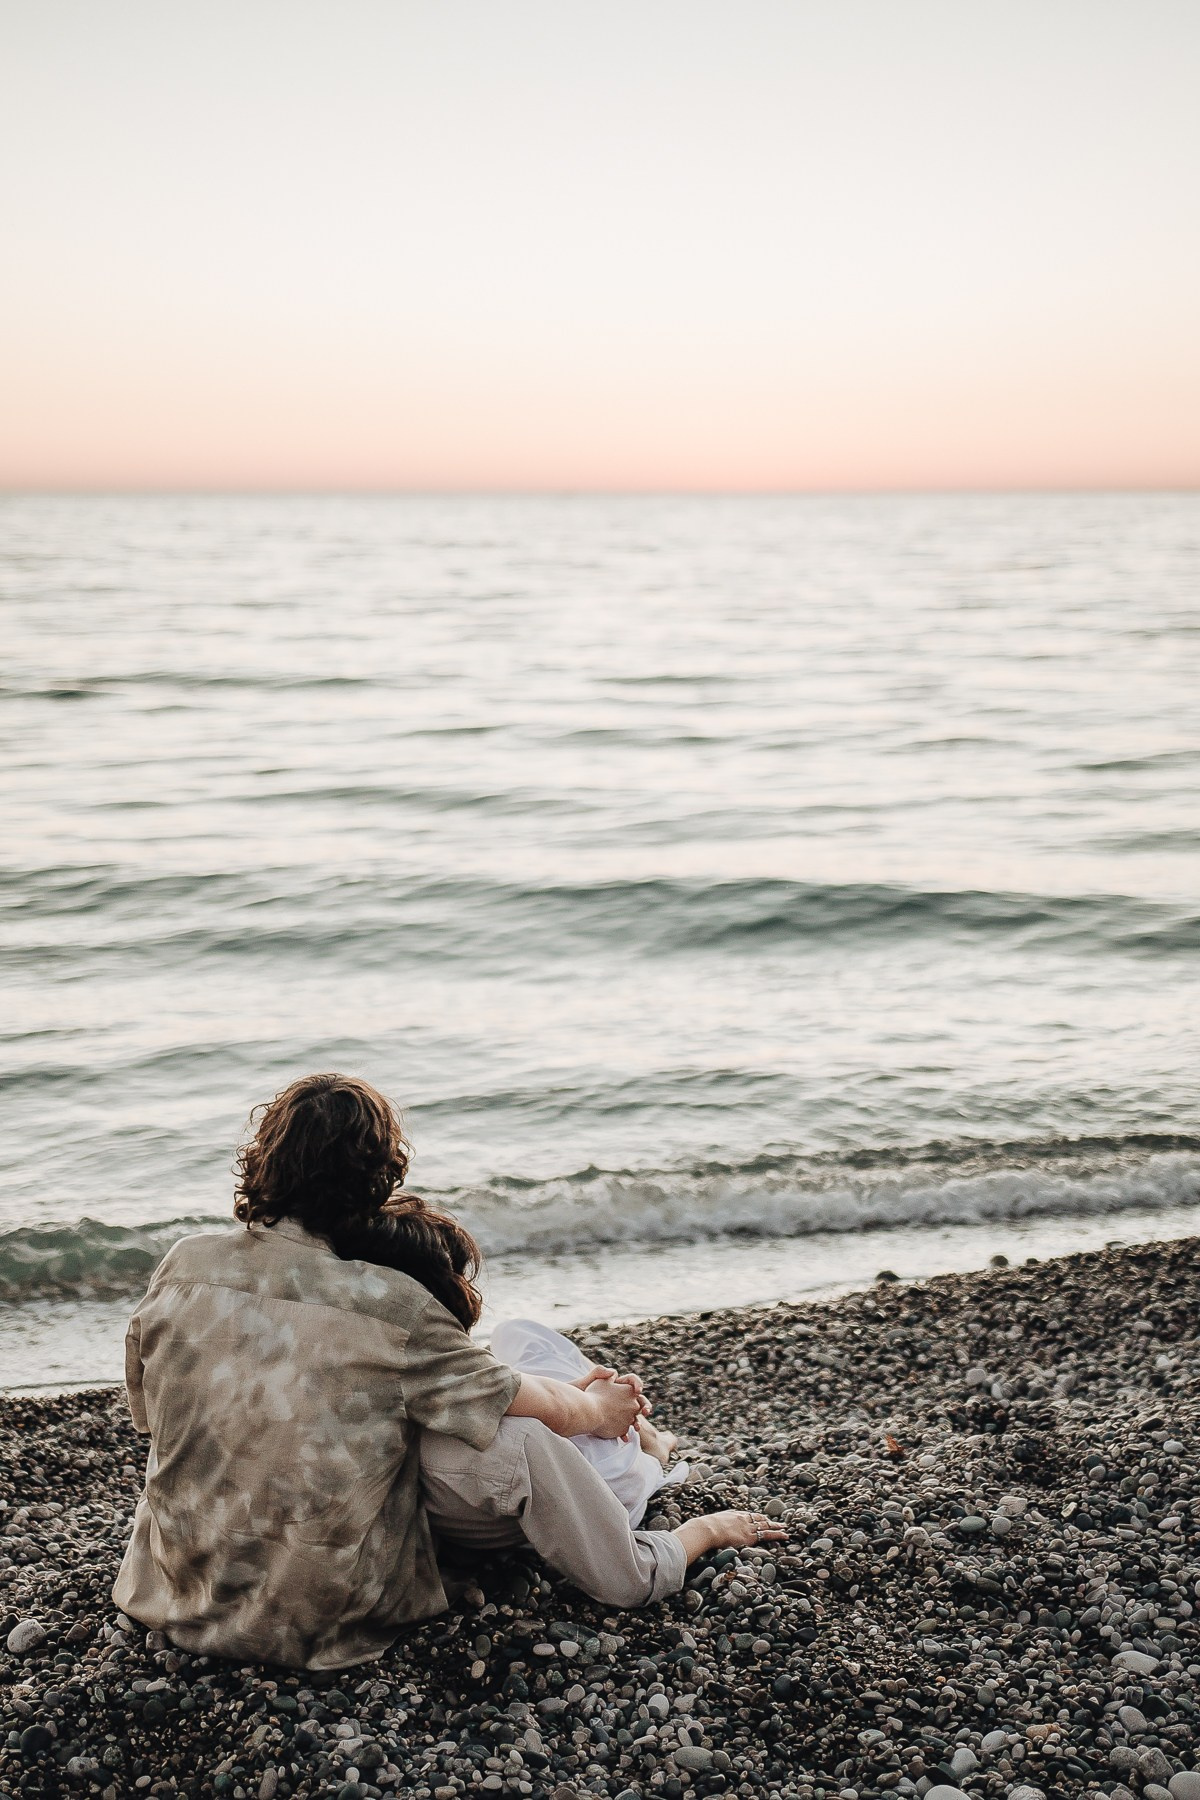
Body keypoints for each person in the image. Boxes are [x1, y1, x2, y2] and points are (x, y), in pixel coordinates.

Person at [113, 1073, 784, 1670]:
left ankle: (637, 1467)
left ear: (263, 1158)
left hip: (175, 1586)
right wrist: (600, 1412)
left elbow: (149, 1416)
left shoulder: (184, 1262)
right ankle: (650, 1559)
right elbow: (513, 1401)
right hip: (321, 1615)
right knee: (510, 1439)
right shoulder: (388, 1303)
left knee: (370, 1421)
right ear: (380, 1175)